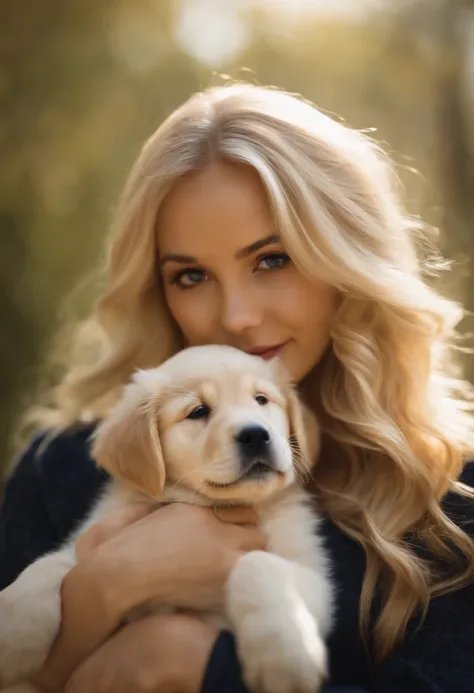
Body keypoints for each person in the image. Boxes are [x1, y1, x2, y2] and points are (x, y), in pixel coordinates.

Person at [1, 82, 474, 693]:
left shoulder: (454, 502)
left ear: (347, 256)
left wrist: (188, 661)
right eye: (191, 275)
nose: (236, 316)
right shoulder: (59, 471)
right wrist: (104, 588)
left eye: (271, 259)